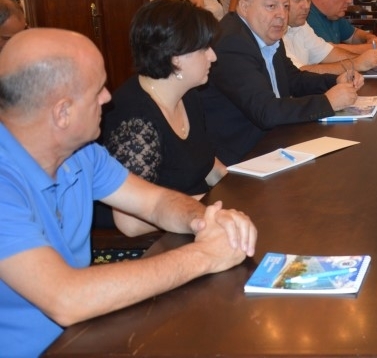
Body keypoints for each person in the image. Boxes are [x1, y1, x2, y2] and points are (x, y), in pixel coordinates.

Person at [0, 28, 257, 357]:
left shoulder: (81, 153)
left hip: (86, 336)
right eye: (97, 91)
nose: (108, 98)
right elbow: (66, 298)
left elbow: (155, 202)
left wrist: (205, 220)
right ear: (62, 112)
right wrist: (204, 255)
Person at [201, 0, 363, 164]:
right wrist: (327, 102)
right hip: (242, 156)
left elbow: (293, 79)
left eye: (285, 6)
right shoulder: (232, 43)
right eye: (271, 6)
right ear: (244, 7)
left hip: (274, 141)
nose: (281, 15)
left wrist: (335, 81)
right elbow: (266, 111)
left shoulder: (265, 32)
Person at [99, 0, 227, 235]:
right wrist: (209, 209)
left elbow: (209, 167)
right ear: (176, 57)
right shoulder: (136, 121)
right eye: (204, 49)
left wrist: (245, 193)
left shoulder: (187, 95)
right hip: (151, 240)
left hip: (195, 219)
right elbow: (130, 223)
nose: (213, 56)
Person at [279, 0, 377, 74]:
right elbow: (296, 74)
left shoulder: (301, 25)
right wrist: (356, 63)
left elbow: (328, 53)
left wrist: (365, 60)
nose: (307, 6)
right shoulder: (275, 33)